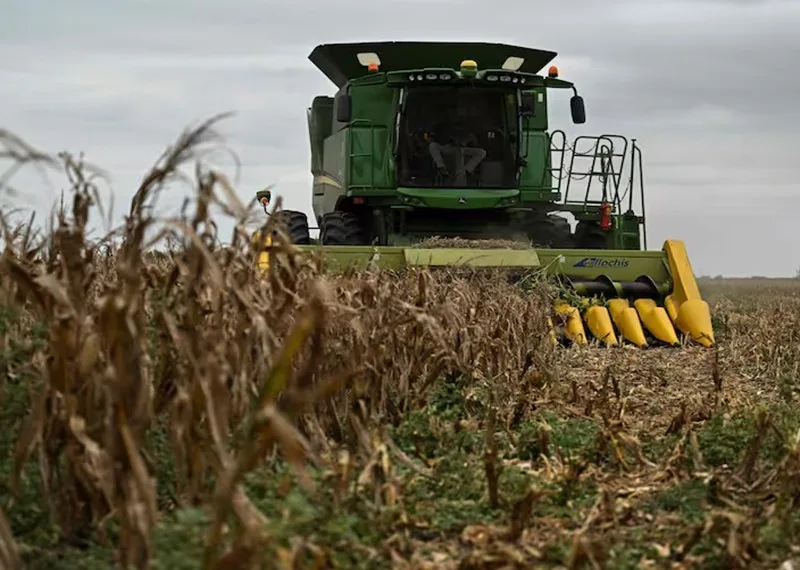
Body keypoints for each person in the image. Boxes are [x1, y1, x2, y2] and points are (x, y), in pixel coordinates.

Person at [425, 117, 486, 186]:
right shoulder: (440, 128)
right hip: (444, 148)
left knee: (481, 152)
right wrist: (450, 140)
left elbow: (474, 142)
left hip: (459, 149)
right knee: (432, 145)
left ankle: (467, 170)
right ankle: (441, 168)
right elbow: (433, 138)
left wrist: (465, 141)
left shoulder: (467, 132)